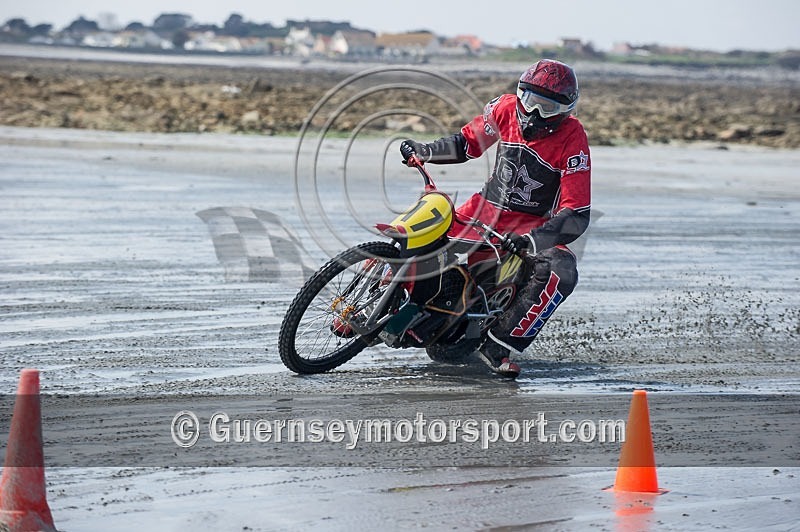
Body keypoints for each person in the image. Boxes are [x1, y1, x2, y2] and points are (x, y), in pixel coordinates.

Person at [399, 59, 591, 379]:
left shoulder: (574, 138)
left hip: (529, 224)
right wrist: (426, 150)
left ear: (565, 111)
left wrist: (533, 240)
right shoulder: (504, 108)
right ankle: (371, 300)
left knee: (563, 271)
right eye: (530, 101)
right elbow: (467, 143)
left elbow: (577, 213)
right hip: (482, 208)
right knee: (422, 229)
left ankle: (498, 344)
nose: (535, 113)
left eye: (548, 108)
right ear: (520, 94)